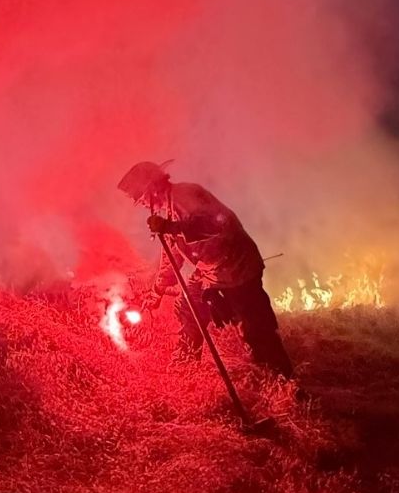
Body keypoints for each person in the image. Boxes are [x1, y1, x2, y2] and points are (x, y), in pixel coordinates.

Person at [117, 160, 293, 378]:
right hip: (210, 271)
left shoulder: (185, 195)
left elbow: (215, 225)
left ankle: (283, 381)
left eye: (140, 196)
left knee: (255, 330)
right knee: (188, 305)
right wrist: (157, 292)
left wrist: (170, 227)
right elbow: (171, 256)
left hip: (236, 269)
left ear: (153, 188)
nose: (139, 202)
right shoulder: (169, 212)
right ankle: (185, 365)